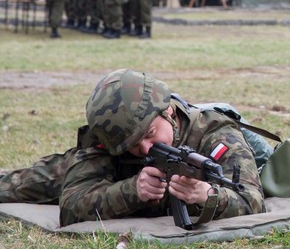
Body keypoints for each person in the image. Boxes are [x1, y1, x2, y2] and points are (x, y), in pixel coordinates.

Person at [0, 69, 265, 226]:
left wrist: (207, 195)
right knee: (16, 185)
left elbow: (252, 202)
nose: (146, 148)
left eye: (150, 134)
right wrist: (131, 191)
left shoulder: (215, 132)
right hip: (106, 175)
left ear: (169, 112)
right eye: (132, 145)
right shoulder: (112, 136)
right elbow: (71, 207)